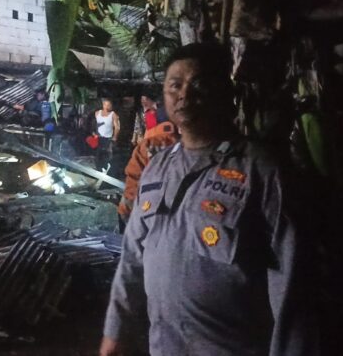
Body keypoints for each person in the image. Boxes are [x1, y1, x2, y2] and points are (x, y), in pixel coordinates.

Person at [101, 43, 317, 356]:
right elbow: (133, 256)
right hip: (165, 347)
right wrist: (116, 329)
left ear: (224, 93)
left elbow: (292, 282)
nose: (184, 95)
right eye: (175, 85)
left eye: (198, 84)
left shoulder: (261, 169)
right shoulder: (157, 167)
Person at [93, 98, 120, 172]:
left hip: (108, 138)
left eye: (109, 105)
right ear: (103, 105)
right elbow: (95, 124)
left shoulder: (113, 114)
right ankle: (98, 170)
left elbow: (117, 127)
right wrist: (94, 132)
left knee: (107, 156)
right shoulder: (97, 113)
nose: (107, 106)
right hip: (98, 138)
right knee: (98, 155)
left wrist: (115, 137)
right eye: (106, 105)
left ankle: (106, 171)